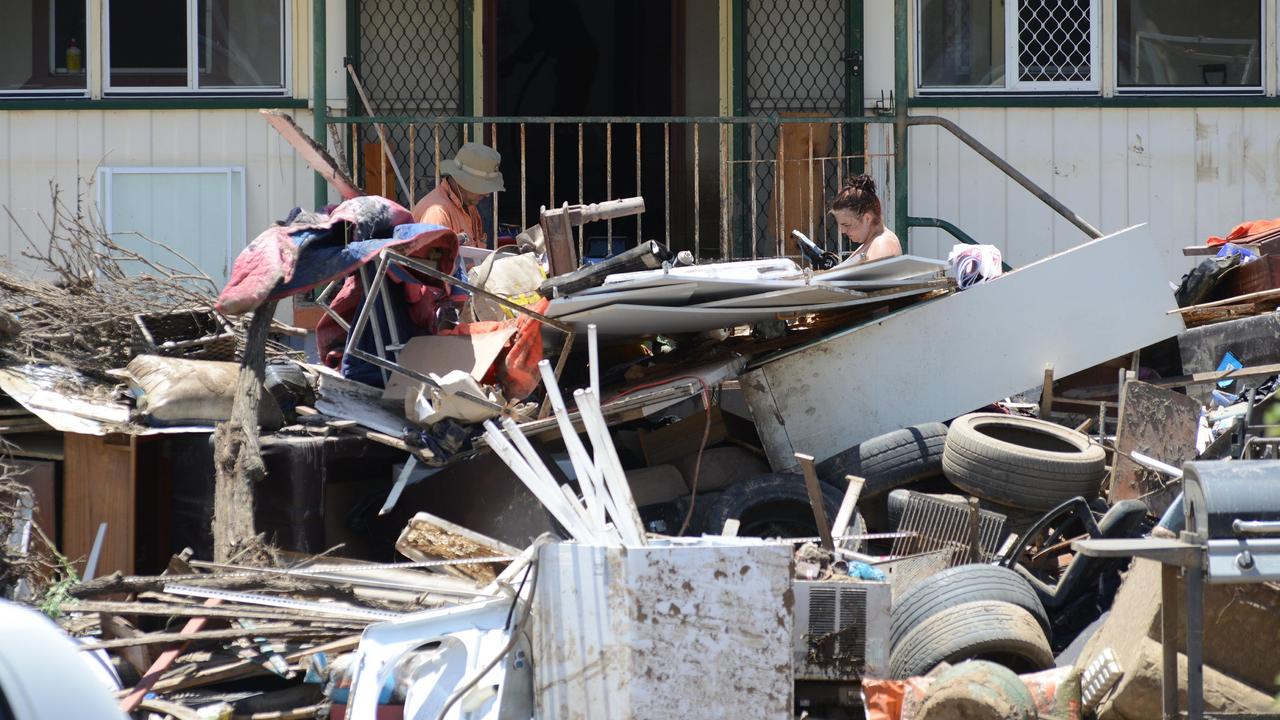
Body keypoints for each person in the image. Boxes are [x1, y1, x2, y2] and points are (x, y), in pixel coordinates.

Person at [411, 142, 505, 248]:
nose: (487, 194)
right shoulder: (437, 213)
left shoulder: (469, 206)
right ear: (463, 181)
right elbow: (432, 262)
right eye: (482, 187)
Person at [829, 175, 902, 265]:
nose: (843, 231)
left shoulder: (882, 243)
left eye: (846, 225)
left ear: (867, 218)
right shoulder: (872, 242)